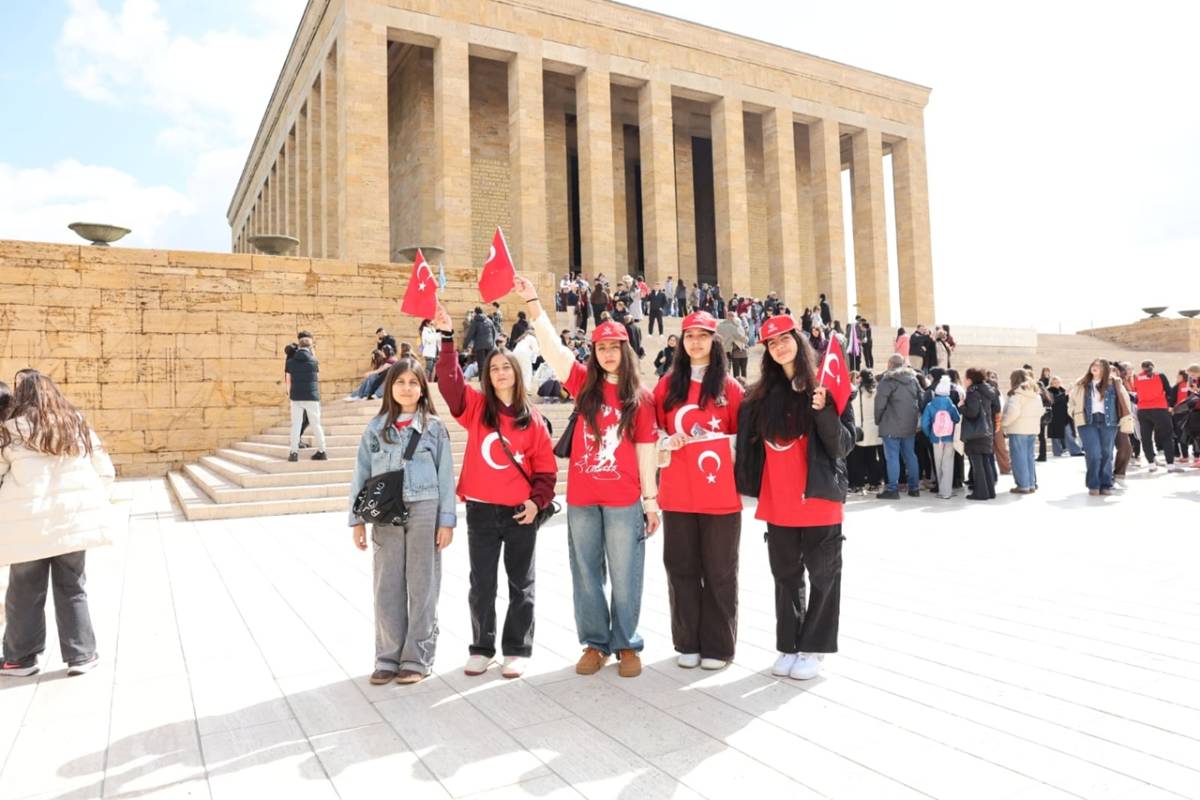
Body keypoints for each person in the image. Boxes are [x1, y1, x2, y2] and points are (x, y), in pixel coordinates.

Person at [517, 273, 660, 679]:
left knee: (626, 572)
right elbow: (554, 349)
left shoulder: (641, 397)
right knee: (585, 572)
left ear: (625, 351)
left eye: (615, 347)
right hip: (582, 495)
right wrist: (534, 304)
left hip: (624, 499)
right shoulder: (583, 384)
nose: (608, 353)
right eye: (601, 347)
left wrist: (651, 503)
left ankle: (627, 643)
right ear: (594, 352)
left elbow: (647, 451)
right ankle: (595, 643)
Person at [431, 304, 557, 680]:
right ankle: (482, 647)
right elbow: (451, 385)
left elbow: (546, 471)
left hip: (520, 512)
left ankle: (516, 649)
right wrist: (448, 339)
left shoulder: (532, 419)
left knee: (522, 583)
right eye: (494, 368)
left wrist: (537, 505)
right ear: (487, 376)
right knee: (482, 582)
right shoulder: (477, 408)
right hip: (483, 511)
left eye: (506, 367)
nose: (500, 372)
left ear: (516, 374)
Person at [735, 314, 853, 681]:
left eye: (785, 339)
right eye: (771, 343)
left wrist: (825, 411)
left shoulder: (824, 388)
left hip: (819, 499)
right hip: (779, 500)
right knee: (785, 576)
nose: (779, 347)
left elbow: (843, 445)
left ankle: (814, 648)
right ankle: (789, 643)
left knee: (822, 575)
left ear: (798, 343)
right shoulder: (759, 397)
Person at [2, 371, 118, 677]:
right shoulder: (76, 424)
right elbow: (104, 470)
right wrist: (93, 504)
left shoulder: (9, 430)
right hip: (72, 519)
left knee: (24, 591)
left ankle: (20, 659)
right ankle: (82, 656)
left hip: (27, 524)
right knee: (73, 587)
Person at [348, 359, 456, 686]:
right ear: (389, 387)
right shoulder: (375, 428)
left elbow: (446, 475)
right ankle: (387, 657)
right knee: (387, 585)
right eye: (400, 382)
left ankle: (417, 658)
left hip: (425, 507)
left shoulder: (434, 427)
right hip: (385, 512)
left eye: (413, 382)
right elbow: (361, 474)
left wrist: (446, 520)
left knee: (422, 585)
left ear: (423, 388)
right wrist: (357, 520)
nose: (406, 388)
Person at [653, 311, 744, 670]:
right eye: (689, 336)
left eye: (702, 336)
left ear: (713, 341)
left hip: (719, 496)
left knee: (720, 571)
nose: (695, 342)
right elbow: (653, 429)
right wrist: (667, 439)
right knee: (681, 567)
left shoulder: (730, 387)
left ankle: (720, 646)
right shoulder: (668, 384)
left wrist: (716, 441)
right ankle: (687, 641)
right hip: (678, 492)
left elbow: (742, 436)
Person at [1069, 359, 1130, 496]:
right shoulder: (1081, 383)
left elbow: (1125, 400)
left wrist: (1125, 418)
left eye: (1099, 365)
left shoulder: (1115, 383)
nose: (1094, 367)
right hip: (1087, 422)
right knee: (1094, 454)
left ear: (1105, 369)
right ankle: (1094, 484)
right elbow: (1071, 401)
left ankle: (1106, 484)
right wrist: (1073, 412)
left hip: (1109, 422)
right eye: (1093, 365)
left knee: (1107, 453)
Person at [874, 354, 921, 499]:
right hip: (909, 423)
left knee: (892, 457)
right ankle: (914, 488)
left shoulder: (888, 380)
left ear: (889, 364)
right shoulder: (913, 379)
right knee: (910, 455)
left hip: (891, 424)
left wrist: (878, 419)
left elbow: (879, 403)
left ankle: (892, 489)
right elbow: (921, 397)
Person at [285, 336, 328, 462]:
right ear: (310, 347)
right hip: (312, 397)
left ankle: (293, 453)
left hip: (296, 397)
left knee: (296, 425)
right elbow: (316, 378)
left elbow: (288, 381)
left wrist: (290, 393)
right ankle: (322, 451)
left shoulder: (290, 362)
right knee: (316, 424)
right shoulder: (314, 361)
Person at [1134, 360, 1181, 473]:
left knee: (1146, 438)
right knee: (1167, 436)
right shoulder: (1160, 376)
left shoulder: (1137, 378)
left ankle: (1151, 465)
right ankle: (1170, 465)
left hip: (1143, 410)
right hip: (1160, 409)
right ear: (1152, 367)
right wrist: (1169, 405)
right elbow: (1169, 391)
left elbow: (1136, 393)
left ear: (1142, 368)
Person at [1002, 370, 1043, 494]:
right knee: (1029, 457)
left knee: (1018, 458)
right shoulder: (1036, 394)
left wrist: (1004, 423)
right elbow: (1041, 411)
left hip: (1018, 429)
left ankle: (1023, 485)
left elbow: (1013, 412)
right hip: (1032, 429)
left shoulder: (1016, 394)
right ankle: (1030, 484)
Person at [920, 375, 961, 499]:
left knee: (938, 464)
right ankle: (947, 491)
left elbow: (924, 424)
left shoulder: (930, 405)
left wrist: (930, 434)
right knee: (948, 463)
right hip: (948, 438)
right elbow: (957, 419)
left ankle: (942, 491)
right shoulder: (951, 406)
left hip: (936, 438)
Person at [961, 368, 997, 500]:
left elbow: (972, 412)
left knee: (977, 464)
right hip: (986, 430)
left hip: (976, 432)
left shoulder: (973, 392)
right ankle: (990, 491)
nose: (964, 380)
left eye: (965, 377)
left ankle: (981, 493)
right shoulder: (987, 390)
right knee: (985, 461)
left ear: (970, 379)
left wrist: (961, 406)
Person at [847, 370, 884, 494]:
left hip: (861, 429)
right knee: (872, 458)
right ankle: (874, 483)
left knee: (858, 459)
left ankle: (859, 484)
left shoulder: (857, 392)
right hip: (874, 428)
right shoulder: (877, 392)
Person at [1048, 376, 1084, 456]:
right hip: (1055, 417)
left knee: (1069, 434)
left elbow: (1067, 401)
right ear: (1051, 383)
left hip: (1064, 416)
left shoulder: (1062, 390)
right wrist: (1065, 394)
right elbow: (1053, 401)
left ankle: (1075, 451)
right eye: (1054, 382)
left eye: (1058, 382)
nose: (1056, 384)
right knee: (1056, 437)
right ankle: (1057, 452)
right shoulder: (1049, 391)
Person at [465, 306, 498, 377]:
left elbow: (470, 334)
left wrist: (465, 345)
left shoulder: (475, 322)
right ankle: (489, 379)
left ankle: (482, 380)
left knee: (481, 364)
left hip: (479, 345)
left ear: (475, 312)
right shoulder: (489, 320)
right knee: (488, 362)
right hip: (489, 345)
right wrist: (493, 343)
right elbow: (494, 333)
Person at [717, 310, 749, 380]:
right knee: (727, 369)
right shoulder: (732, 327)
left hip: (719, 350)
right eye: (734, 317)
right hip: (728, 351)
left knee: (720, 369)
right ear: (731, 317)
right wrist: (746, 339)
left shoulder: (719, 325)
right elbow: (740, 337)